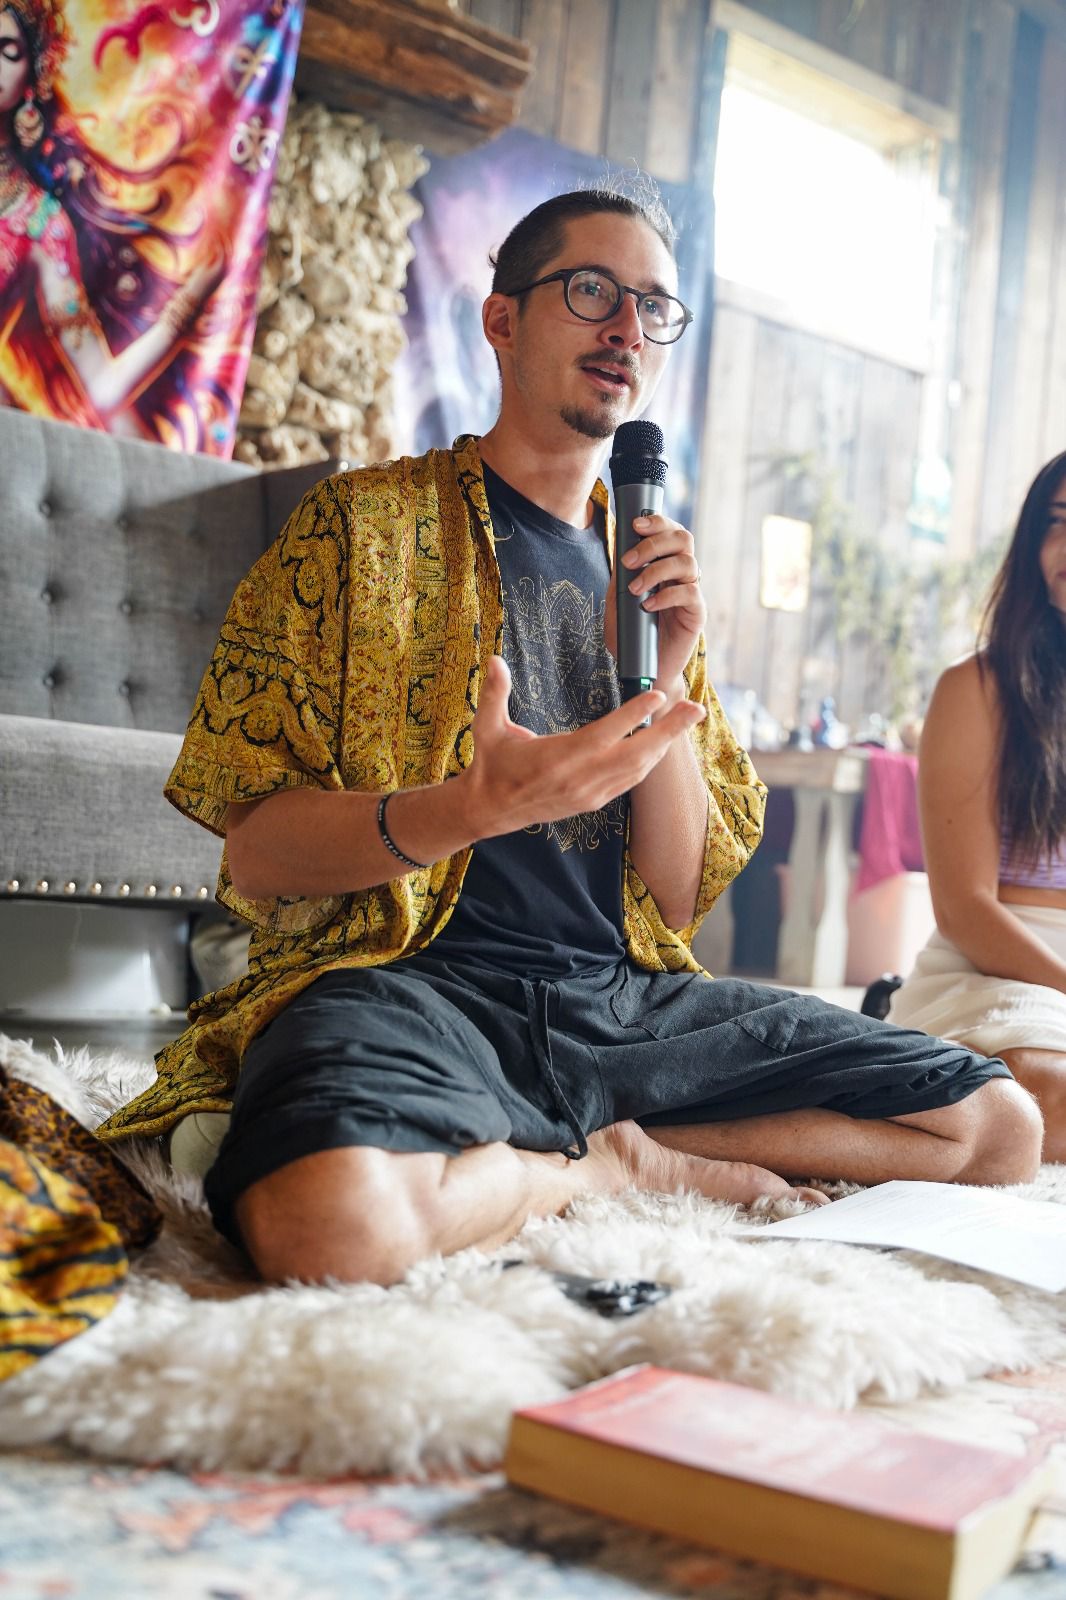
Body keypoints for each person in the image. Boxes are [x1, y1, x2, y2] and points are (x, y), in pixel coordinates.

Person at [97, 184, 1042, 1285]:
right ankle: (603, 1164)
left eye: (653, 306)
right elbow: (258, 851)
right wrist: (468, 809)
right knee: (327, 1227)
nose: (626, 327)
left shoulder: (649, 575)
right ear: (501, 320)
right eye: (591, 290)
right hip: (412, 982)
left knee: (997, 1127)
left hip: (623, 1004)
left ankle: (612, 1138)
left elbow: (673, 900)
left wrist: (667, 682)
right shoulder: (358, 529)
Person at [888, 453, 1066, 1161]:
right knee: (1039, 1091)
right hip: (998, 967)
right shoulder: (979, 689)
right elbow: (965, 908)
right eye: (1055, 523)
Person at [0, 0, 222, 440]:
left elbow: (100, 387)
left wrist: (184, 309)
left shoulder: (38, 221)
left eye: (8, 51)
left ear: (31, 79)